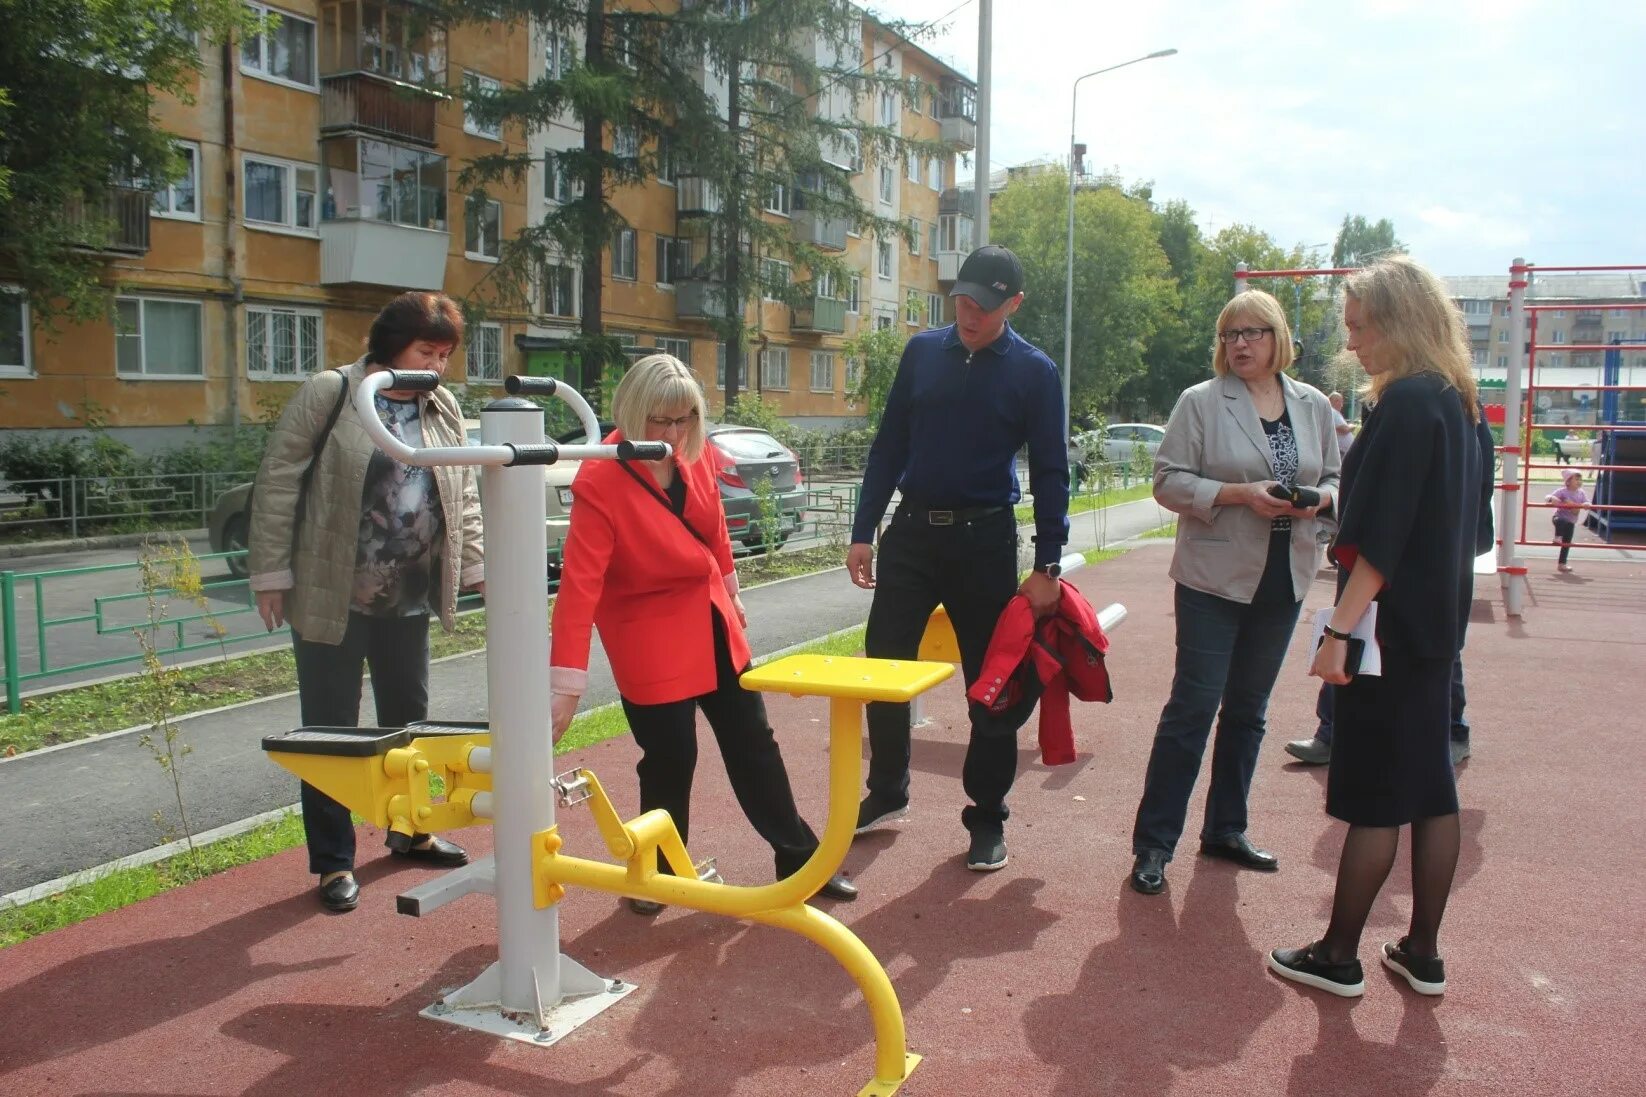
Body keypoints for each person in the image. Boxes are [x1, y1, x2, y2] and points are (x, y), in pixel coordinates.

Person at [547, 355, 856, 913]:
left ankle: (799, 857)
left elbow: (715, 533)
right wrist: (567, 684)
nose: (672, 433)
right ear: (633, 412)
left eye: (684, 419)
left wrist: (734, 598)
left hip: (710, 617)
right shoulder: (599, 477)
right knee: (670, 755)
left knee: (754, 743)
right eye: (660, 421)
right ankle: (657, 873)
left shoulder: (699, 454)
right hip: (646, 632)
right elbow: (579, 587)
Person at [1269, 256, 1484, 999]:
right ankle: (1422, 949)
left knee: (1371, 793)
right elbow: (1469, 531)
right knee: (1430, 789)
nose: (1352, 342)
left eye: (1361, 327)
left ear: (1398, 322)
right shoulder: (1461, 403)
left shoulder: (1403, 406)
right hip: (1435, 629)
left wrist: (1338, 632)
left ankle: (1337, 953)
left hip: (1384, 629)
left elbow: (1382, 538)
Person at [248, 291, 485, 913]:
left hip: (407, 597)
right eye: (425, 351)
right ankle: (332, 862)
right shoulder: (333, 394)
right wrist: (271, 574)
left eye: (445, 354)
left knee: (410, 723)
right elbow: (278, 483)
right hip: (333, 593)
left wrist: (478, 567)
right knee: (331, 731)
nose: (436, 366)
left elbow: (462, 494)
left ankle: (410, 829)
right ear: (390, 347)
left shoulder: (442, 405)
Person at [846, 244, 1069, 873]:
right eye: (962, 301)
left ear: (1013, 305)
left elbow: (1052, 472)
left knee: (991, 684)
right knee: (883, 664)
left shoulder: (1033, 372)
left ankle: (987, 815)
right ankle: (887, 790)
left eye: (984, 306)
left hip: (985, 543)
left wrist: (1048, 563)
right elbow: (889, 445)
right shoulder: (922, 354)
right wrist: (864, 530)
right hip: (912, 534)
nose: (969, 313)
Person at [1127, 289, 1340, 896]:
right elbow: (1167, 481)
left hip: (1285, 572)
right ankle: (1154, 844)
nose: (1240, 344)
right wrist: (1238, 494)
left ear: (1279, 339)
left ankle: (1226, 829)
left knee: (1248, 712)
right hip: (1213, 577)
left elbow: (1333, 475)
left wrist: (1319, 500)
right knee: (1192, 710)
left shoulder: (1312, 404)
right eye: (1230, 335)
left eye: (1253, 333)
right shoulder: (1200, 402)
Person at [1286, 414, 1496, 768]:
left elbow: (1477, 481)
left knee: (1430, 646)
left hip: (1428, 553)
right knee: (1359, 629)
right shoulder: (1397, 399)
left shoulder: (1442, 405)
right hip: (1392, 550)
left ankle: (1452, 731)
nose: (1354, 353)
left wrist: (1463, 539)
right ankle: (1333, 730)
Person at [1546, 471, 1587, 573]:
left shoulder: (1581, 493)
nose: (1579, 482)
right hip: (1558, 517)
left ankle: (1562, 564)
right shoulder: (1562, 491)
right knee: (1561, 521)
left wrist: (1586, 504)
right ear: (1568, 482)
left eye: (1580, 479)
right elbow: (1548, 497)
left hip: (1571, 521)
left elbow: (1587, 501)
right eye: (1576, 479)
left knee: (1567, 543)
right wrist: (1552, 499)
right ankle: (1557, 537)